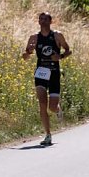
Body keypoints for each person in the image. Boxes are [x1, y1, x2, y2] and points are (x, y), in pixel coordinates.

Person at [22, 12, 71, 146]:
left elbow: (68, 50)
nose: (42, 21)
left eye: (45, 19)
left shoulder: (57, 35)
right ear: (38, 22)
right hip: (41, 73)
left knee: (52, 107)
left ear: (50, 21)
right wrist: (28, 52)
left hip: (54, 73)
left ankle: (58, 109)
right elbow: (25, 57)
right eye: (40, 19)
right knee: (42, 104)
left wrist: (60, 57)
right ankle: (48, 135)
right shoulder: (34, 38)